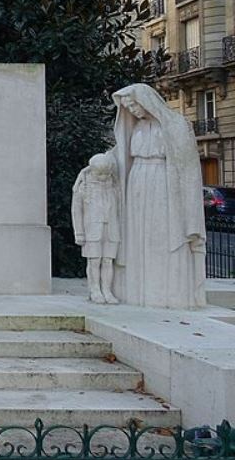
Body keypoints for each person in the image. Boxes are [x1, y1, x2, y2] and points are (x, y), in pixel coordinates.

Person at [111, 83, 206, 308]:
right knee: (138, 232)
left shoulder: (175, 125)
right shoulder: (137, 127)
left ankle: (166, 292)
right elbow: (120, 154)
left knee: (161, 232)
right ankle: (138, 290)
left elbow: (187, 168)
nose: (132, 110)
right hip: (137, 180)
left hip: (163, 181)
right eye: (127, 106)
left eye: (133, 104)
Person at [71, 152, 120, 304]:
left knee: (107, 261)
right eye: (100, 174)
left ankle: (107, 290)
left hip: (111, 229)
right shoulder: (83, 187)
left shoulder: (114, 186)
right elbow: (76, 211)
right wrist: (79, 232)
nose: (104, 177)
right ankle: (94, 289)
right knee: (94, 261)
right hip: (92, 229)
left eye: (106, 173)